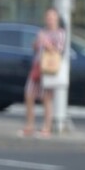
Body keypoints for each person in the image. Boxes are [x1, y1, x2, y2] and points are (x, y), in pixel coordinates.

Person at [24, 7, 67, 137]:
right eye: (48, 17)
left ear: (56, 18)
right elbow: (36, 47)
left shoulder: (60, 33)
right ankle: (30, 125)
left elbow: (58, 50)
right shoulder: (42, 31)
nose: (50, 20)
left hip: (49, 68)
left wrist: (46, 42)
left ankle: (46, 127)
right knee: (29, 94)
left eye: (52, 17)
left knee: (46, 98)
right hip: (38, 66)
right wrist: (37, 42)